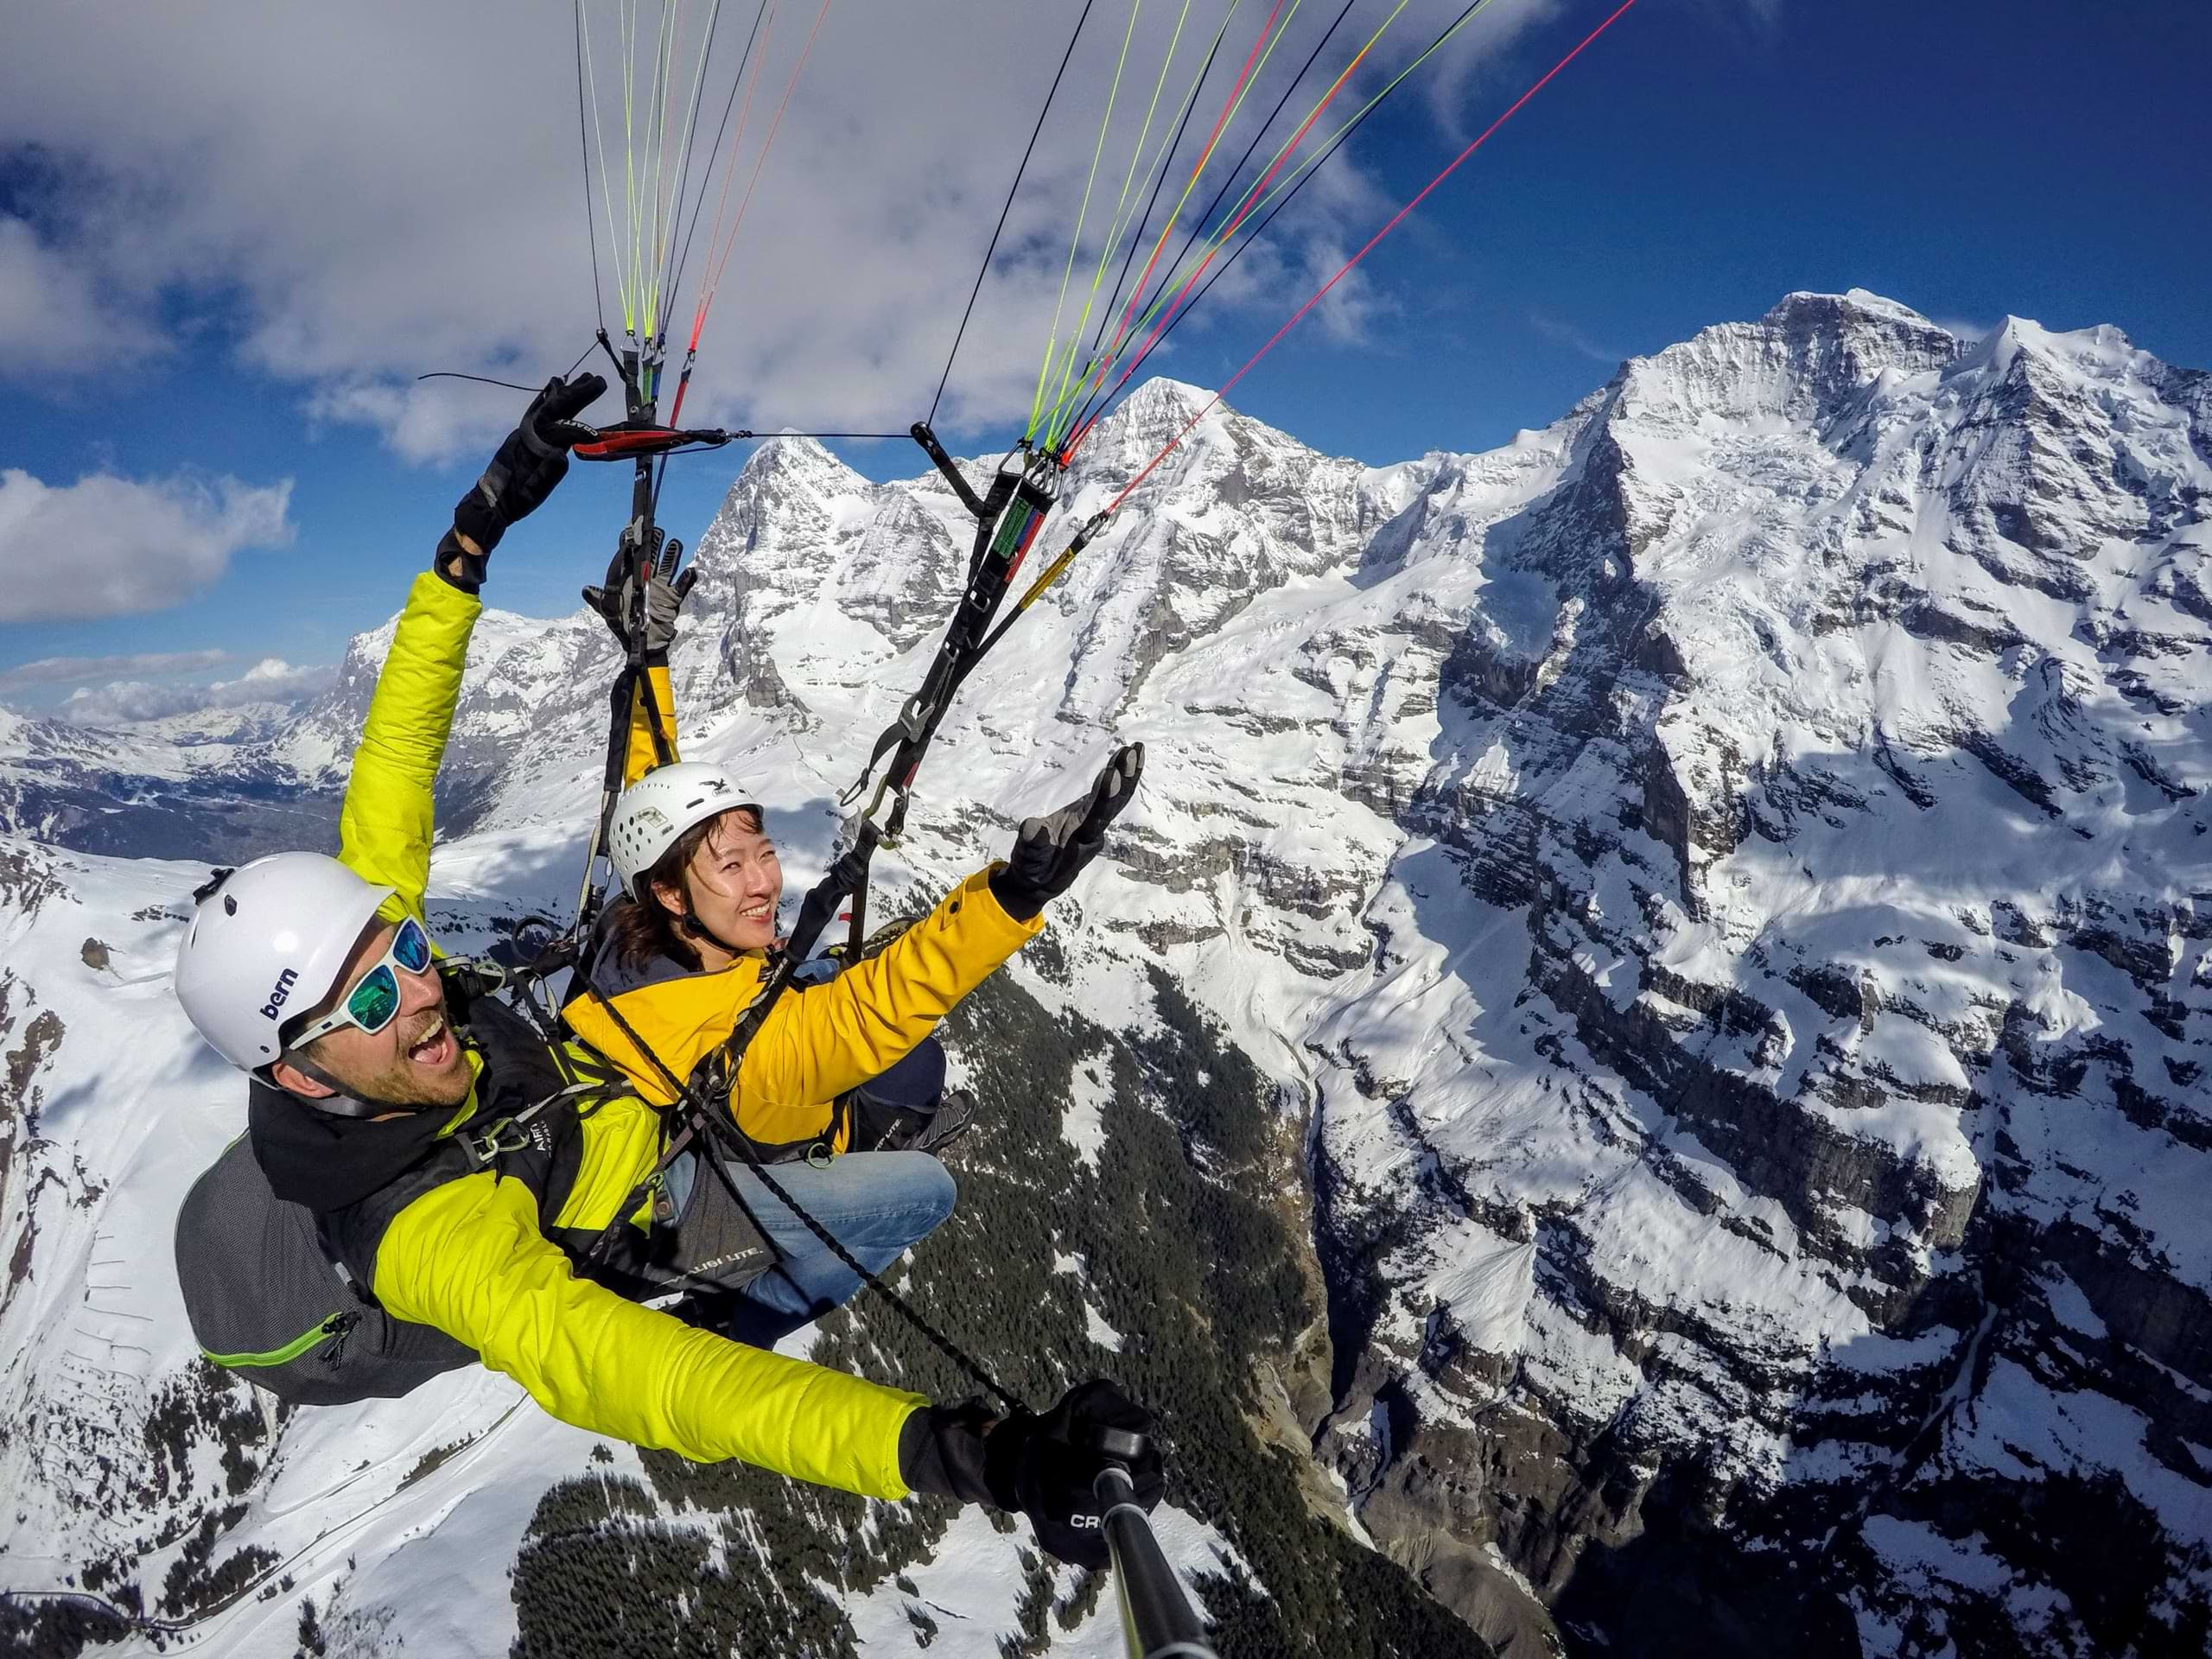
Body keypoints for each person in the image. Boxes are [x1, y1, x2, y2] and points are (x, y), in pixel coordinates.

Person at [168, 376, 1161, 1560]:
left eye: (413, 953)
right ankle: (748, 1309)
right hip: (650, 1205)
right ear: (296, 1073)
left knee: (880, 1084)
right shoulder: (436, 1239)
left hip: (604, 1095)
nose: (424, 992)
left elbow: (399, 765)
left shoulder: (591, 931)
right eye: (376, 1000)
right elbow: (641, 1376)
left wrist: (470, 544)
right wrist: (972, 1455)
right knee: (918, 1185)